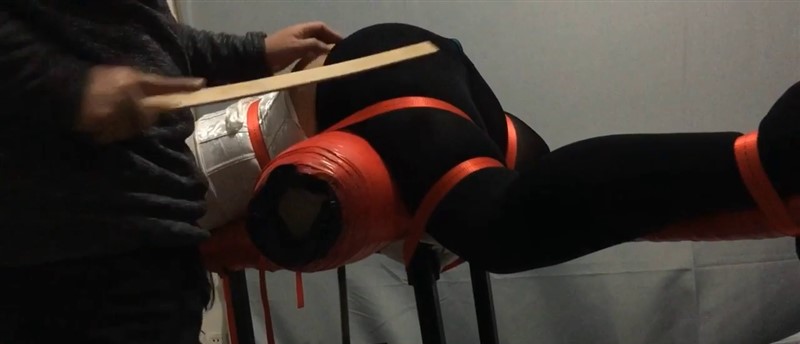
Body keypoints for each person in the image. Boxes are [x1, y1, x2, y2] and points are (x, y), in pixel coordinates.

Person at [0, 1, 341, 344]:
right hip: (85, 240)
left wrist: (256, 52)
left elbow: (144, 36)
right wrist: (70, 87)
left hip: (132, 232)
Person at [207, 22, 798, 275]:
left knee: (500, 227)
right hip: (399, 81)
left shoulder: (161, 199)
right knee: (565, 210)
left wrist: (252, 50)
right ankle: (776, 186)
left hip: (372, 89)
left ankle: (778, 160)